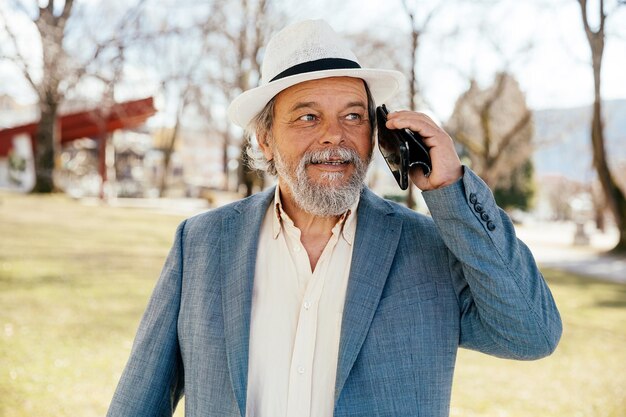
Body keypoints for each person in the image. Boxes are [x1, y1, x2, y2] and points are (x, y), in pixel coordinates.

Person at [107, 19, 562, 417]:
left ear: (379, 134)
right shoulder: (200, 244)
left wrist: (451, 189)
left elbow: (532, 334)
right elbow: (138, 403)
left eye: (353, 116)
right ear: (265, 140)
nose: (334, 135)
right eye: (307, 117)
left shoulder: (431, 249)